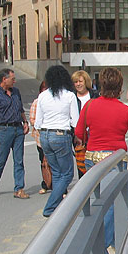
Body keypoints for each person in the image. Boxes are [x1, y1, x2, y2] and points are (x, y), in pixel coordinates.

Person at [75, 67, 128, 254]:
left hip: (92, 157)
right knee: (111, 205)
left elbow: (78, 132)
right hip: (115, 159)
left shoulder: (90, 106)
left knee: (95, 203)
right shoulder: (124, 111)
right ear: (119, 87)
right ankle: (103, 247)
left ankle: (106, 242)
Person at [34, 65, 80, 218]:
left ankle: (58, 205)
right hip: (61, 134)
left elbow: (37, 122)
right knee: (67, 174)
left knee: (57, 173)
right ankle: (50, 207)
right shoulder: (69, 96)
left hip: (45, 135)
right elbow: (75, 121)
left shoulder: (43, 96)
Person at [0, 68, 30, 199]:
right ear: (4, 79)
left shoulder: (16, 92)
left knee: (19, 160)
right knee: (1, 159)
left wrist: (25, 122)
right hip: (4, 130)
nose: (14, 81)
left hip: (18, 129)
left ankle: (19, 188)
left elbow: (21, 109)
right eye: (12, 79)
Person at [72, 70, 99, 178]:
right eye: (75, 82)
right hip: (78, 135)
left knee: (94, 162)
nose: (78, 84)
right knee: (81, 162)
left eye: (80, 81)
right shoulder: (71, 97)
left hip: (93, 134)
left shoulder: (94, 95)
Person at [29, 81, 52, 194]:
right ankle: (46, 184)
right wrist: (42, 127)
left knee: (55, 162)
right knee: (43, 162)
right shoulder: (37, 102)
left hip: (53, 137)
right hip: (41, 138)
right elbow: (32, 119)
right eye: (44, 89)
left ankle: (58, 186)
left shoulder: (54, 102)